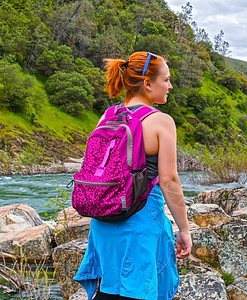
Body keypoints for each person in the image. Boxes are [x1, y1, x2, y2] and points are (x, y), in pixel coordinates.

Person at [74, 51, 192, 300]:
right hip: (140, 220)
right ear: (148, 84)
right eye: (166, 80)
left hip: (104, 221)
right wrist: (184, 229)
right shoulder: (161, 121)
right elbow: (169, 181)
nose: (170, 86)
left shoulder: (107, 116)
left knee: (108, 290)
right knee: (140, 291)